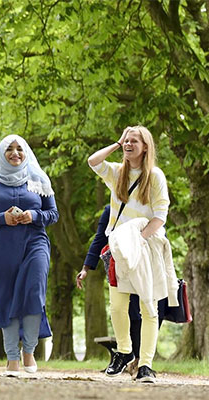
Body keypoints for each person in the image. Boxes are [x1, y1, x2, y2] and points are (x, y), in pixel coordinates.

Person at [87, 126, 177, 383]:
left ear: (145, 146)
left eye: (133, 141)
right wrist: (117, 143)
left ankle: (146, 365)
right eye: (126, 140)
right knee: (117, 306)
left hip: (146, 245)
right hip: (120, 249)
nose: (128, 143)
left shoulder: (156, 176)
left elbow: (160, 216)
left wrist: (138, 239)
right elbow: (93, 161)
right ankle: (125, 351)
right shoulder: (116, 172)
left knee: (149, 307)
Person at [0, 134, 58, 376]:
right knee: (6, 297)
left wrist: (34, 216)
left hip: (35, 241)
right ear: (2, 153)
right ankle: (12, 357)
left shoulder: (39, 179)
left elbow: (53, 213)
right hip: (2, 245)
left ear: (26, 152)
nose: (15, 153)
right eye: (9, 149)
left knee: (34, 291)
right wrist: (2, 218)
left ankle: (29, 352)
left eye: (19, 149)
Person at [76, 205, 169, 376]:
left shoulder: (151, 208)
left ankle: (143, 363)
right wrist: (86, 267)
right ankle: (129, 355)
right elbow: (100, 238)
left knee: (147, 313)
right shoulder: (111, 210)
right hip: (121, 267)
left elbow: (160, 235)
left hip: (147, 266)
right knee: (123, 311)